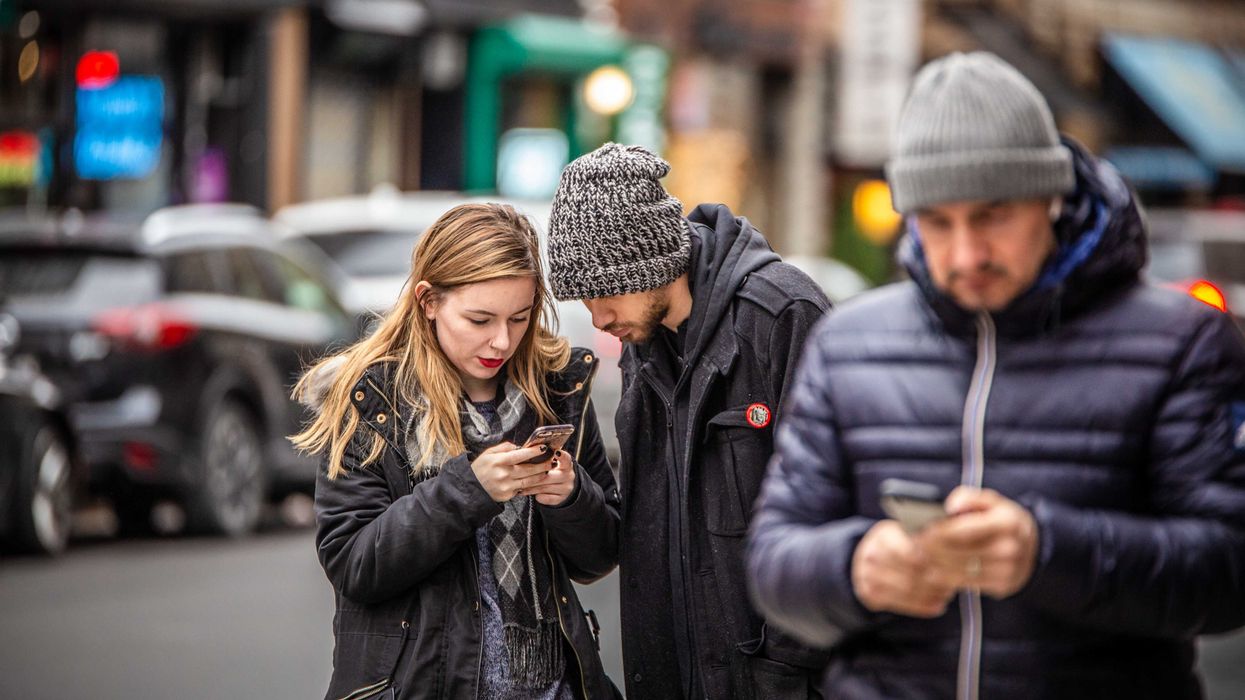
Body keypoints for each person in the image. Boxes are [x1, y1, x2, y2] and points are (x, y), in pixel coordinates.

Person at [746, 51, 1245, 699]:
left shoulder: (1180, 341)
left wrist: (1047, 554)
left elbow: (1227, 572)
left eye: (992, 215)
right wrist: (853, 569)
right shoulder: (846, 343)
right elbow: (771, 565)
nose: (965, 253)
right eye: (937, 222)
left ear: (1051, 200)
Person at [292, 203, 622, 700]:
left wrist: (571, 497)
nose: (502, 340)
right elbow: (354, 565)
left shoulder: (559, 388)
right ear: (428, 301)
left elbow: (598, 558)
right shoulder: (373, 398)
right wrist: (468, 491)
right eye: (479, 319)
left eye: (520, 317)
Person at [546, 143, 832, 698]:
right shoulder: (643, 343)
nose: (599, 319)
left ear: (653, 261)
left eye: (606, 292)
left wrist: (784, 674)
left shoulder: (784, 317)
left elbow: (831, 509)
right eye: (585, 300)